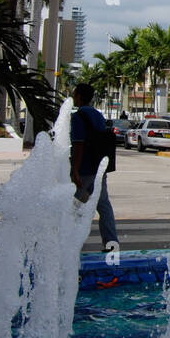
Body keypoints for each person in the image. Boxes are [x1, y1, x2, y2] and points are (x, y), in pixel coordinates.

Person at [70, 83, 119, 250]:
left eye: (74, 93)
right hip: (99, 167)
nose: (73, 96)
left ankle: (69, 244)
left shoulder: (79, 116)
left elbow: (78, 144)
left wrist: (74, 170)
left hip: (84, 168)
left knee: (72, 206)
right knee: (104, 206)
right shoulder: (97, 114)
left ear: (79, 96)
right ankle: (111, 243)